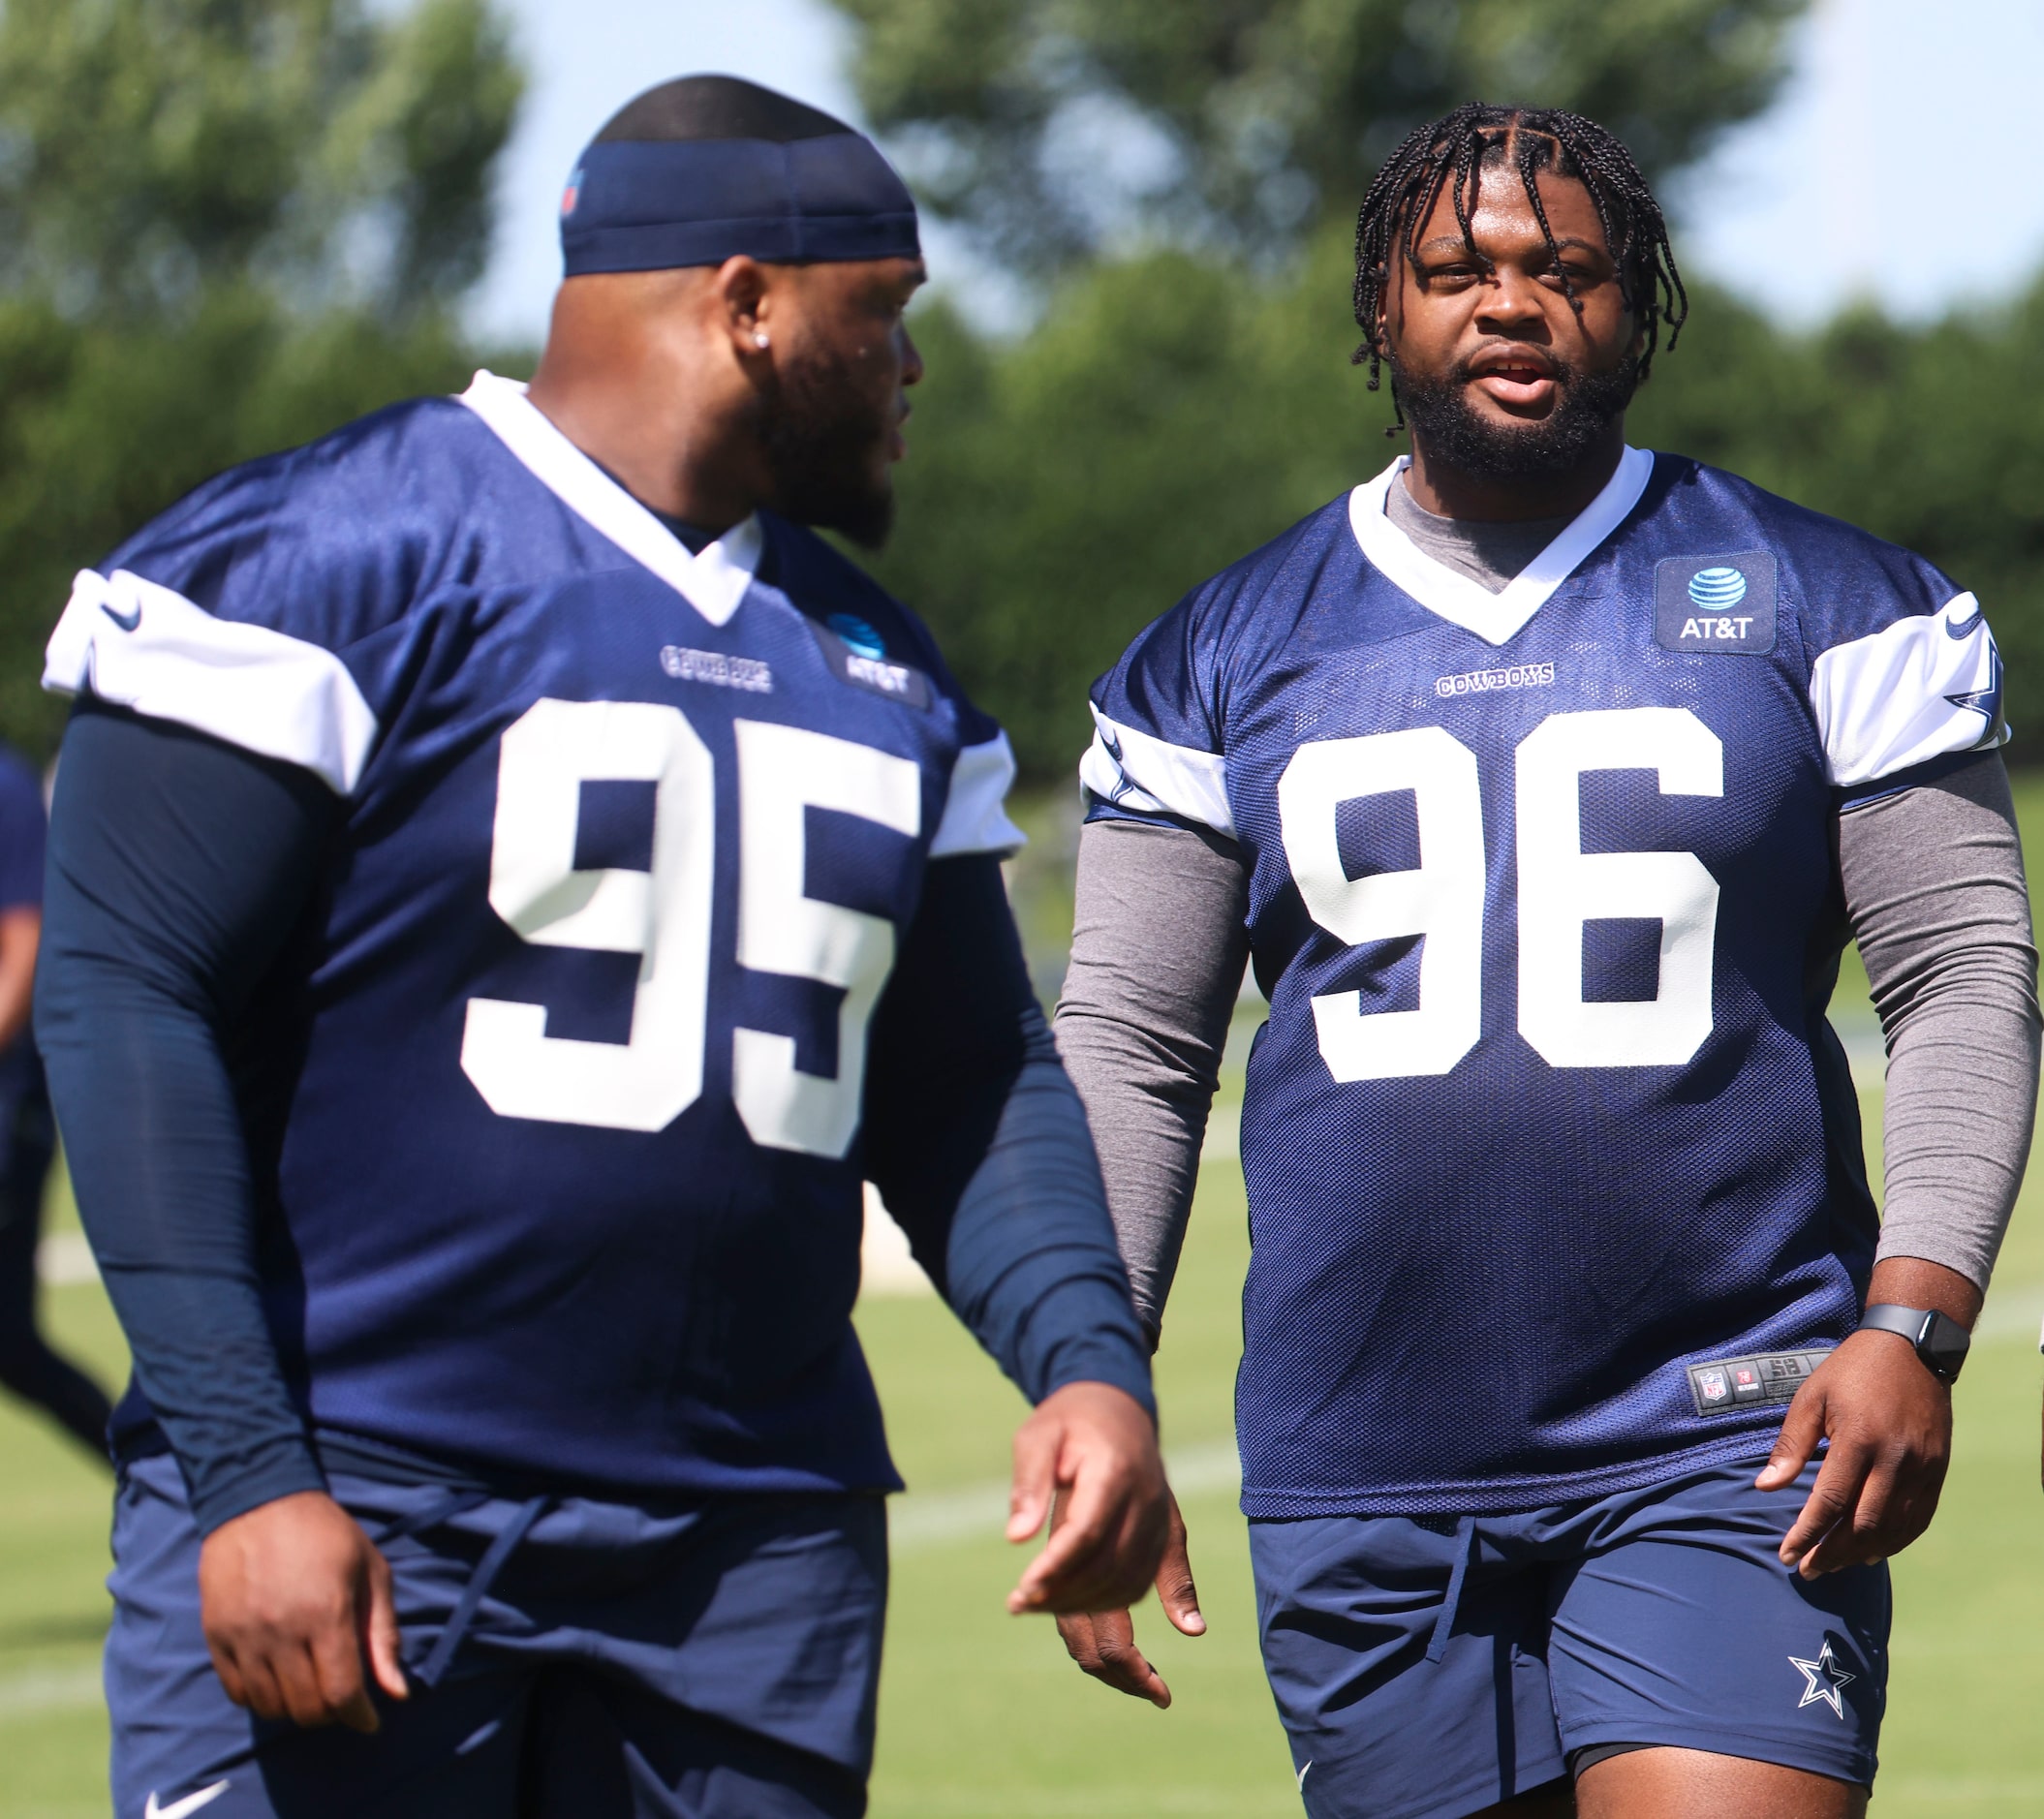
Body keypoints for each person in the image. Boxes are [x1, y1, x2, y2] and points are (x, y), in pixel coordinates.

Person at [35, 76, 1167, 1819]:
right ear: (746, 304)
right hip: (364, 1499)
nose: (913, 371)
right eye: (886, 318)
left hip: (748, 1555)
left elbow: (964, 1077)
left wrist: (1084, 1361)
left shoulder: (884, 662)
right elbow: (127, 1000)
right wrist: (248, 1472)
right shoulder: (323, 562)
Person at [1051, 103, 2039, 1819]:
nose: (1513, 301)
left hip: (1729, 1432)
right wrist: (1090, 1374)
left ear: (1635, 309)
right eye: (1459, 270)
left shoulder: (1833, 598)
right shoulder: (1216, 651)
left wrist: (1916, 1322)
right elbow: (1133, 1043)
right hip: (1361, 1458)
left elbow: (1960, 968)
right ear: (1383, 311)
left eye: (1566, 269)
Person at [0, 743, 111, 1457]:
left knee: (11, 1345)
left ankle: (181, 1489)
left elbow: (23, 937)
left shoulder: (5, 785)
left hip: (8, 1107)